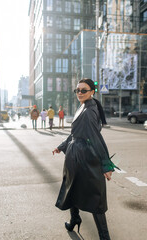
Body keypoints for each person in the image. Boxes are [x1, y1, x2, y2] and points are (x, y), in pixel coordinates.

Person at [53, 78, 119, 240]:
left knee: (96, 198)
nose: (80, 93)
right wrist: (61, 146)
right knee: (72, 188)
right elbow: (75, 133)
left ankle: (105, 237)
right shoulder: (85, 106)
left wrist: (106, 165)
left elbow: (95, 139)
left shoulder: (89, 111)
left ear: (92, 91)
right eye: (77, 90)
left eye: (84, 90)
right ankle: (75, 218)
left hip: (85, 158)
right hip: (75, 156)